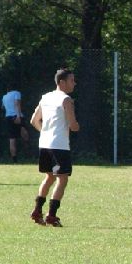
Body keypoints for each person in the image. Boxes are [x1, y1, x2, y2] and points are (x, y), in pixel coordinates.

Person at [29, 68, 79, 227]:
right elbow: (73, 125)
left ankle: (37, 211)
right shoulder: (66, 100)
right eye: (71, 80)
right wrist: (77, 126)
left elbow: (34, 120)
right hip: (59, 147)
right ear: (62, 82)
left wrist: (45, 132)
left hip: (44, 144)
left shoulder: (45, 97)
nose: (74, 83)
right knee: (62, 179)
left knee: (49, 177)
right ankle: (51, 215)